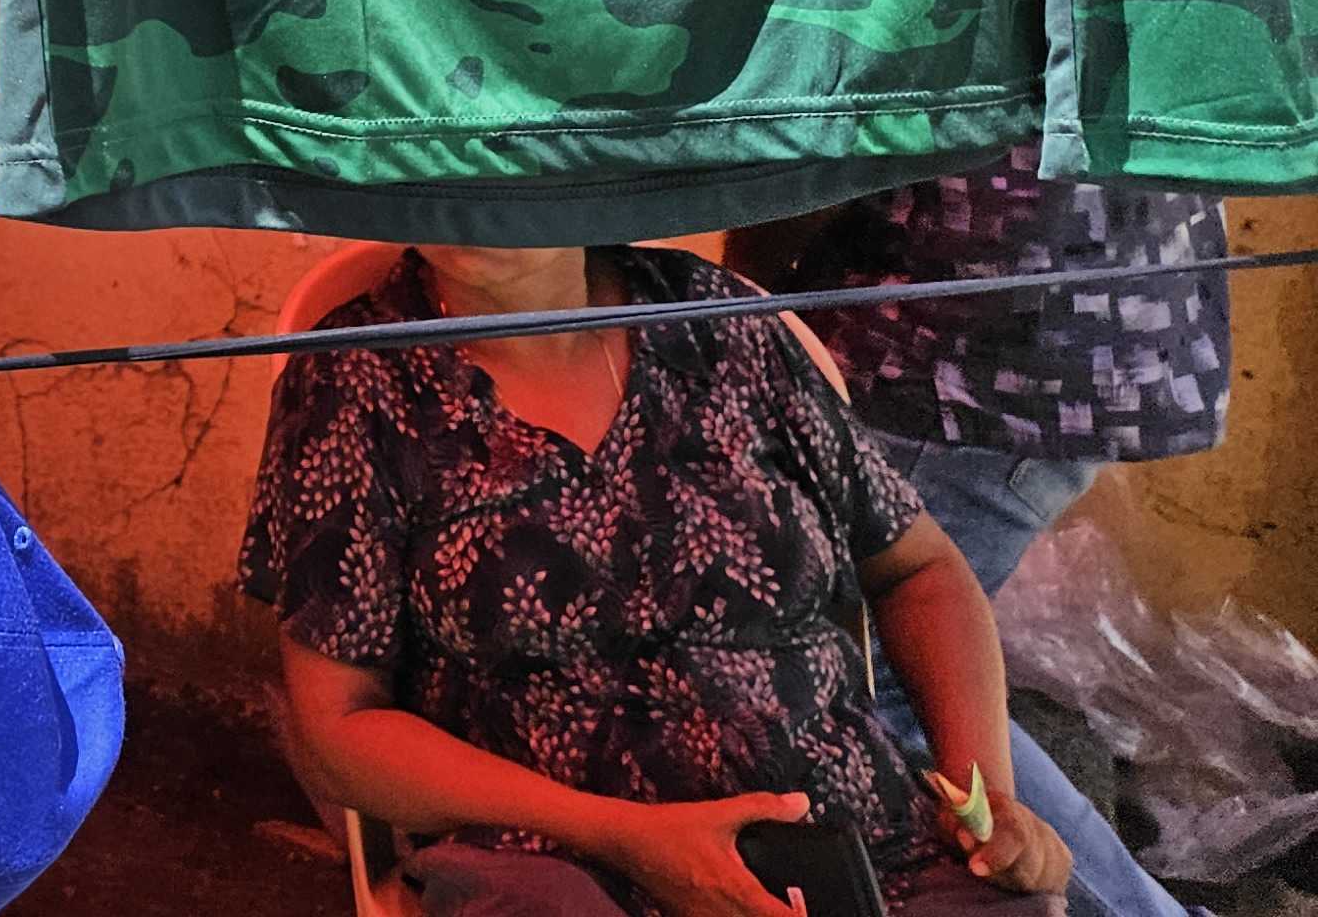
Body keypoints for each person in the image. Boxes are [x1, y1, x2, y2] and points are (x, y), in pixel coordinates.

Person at [242, 239, 1074, 917]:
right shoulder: (356, 379)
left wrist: (988, 803)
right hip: (555, 859)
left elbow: (919, 568)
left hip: (848, 837)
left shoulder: (715, 322)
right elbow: (340, 729)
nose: (469, 192)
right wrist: (627, 836)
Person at [733, 160, 1232, 917]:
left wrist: (731, 304)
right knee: (904, 670)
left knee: (891, 681)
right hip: (1102, 319)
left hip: (975, 344)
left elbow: (816, 144)